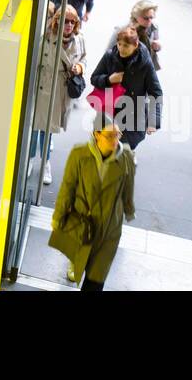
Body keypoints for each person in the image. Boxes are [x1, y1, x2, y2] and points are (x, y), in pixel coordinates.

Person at [50, 113, 135, 291]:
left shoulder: (126, 157)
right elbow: (67, 188)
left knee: (95, 281)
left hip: (109, 230)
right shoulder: (79, 154)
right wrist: (58, 216)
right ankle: (76, 262)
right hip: (82, 225)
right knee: (80, 261)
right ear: (96, 135)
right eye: (109, 136)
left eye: (117, 135)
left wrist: (129, 210)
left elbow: (128, 188)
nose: (115, 140)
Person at [34, 4, 87, 184]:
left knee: (50, 127)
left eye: (73, 22)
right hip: (47, 86)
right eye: (66, 21)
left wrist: (79, 67)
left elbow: (84, 58)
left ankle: (44, 158)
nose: (69, 25)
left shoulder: (79, 40)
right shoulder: (47, 38)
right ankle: (38, 161)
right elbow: (37, 62)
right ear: (57, 21)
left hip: (64, 89)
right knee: (41, 125)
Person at [90, 26, 162, 150]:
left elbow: (155, 92)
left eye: (126, 46)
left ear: (135, 45)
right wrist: (109, 79)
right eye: (119, 44)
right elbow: (94, 78)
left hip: (133, 117)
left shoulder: (144, 62)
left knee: (123, 152)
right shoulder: (109, 57)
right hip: (109, 114)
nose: (121, 49)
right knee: (104, 151)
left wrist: (153, 121)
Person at [107, 0, 162, 71]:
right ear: (136, 16)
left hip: (146, 68)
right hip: (126, 69)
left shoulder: (154, 27)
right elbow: (109, 52)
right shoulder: (122, 29)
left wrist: (157, 47)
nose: (149, 21)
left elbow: (156, 41)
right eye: (146, 18)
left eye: (151, 17)